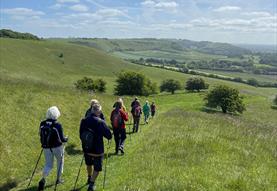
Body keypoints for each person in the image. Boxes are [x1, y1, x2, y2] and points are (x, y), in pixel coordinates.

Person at [80, 103, 112, 191]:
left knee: (89, 163)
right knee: (97, 168)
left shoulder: (84, 120)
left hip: (87, 148)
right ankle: (91, 184)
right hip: (97, 150)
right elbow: (109, 135)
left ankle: (89, 177)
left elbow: (80, 135)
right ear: (98, 111)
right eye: (100, 111)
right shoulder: (100, 122)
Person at [38, 106, 68, 191]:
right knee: (60, 162)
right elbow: (62, 139)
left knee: (48, 165)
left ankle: (43, 179)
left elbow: (40, 134)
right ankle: (58, 179)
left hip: (46, 147)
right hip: (57, 147)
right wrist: (66, 138)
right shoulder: (57, 124)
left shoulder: (42, 124)